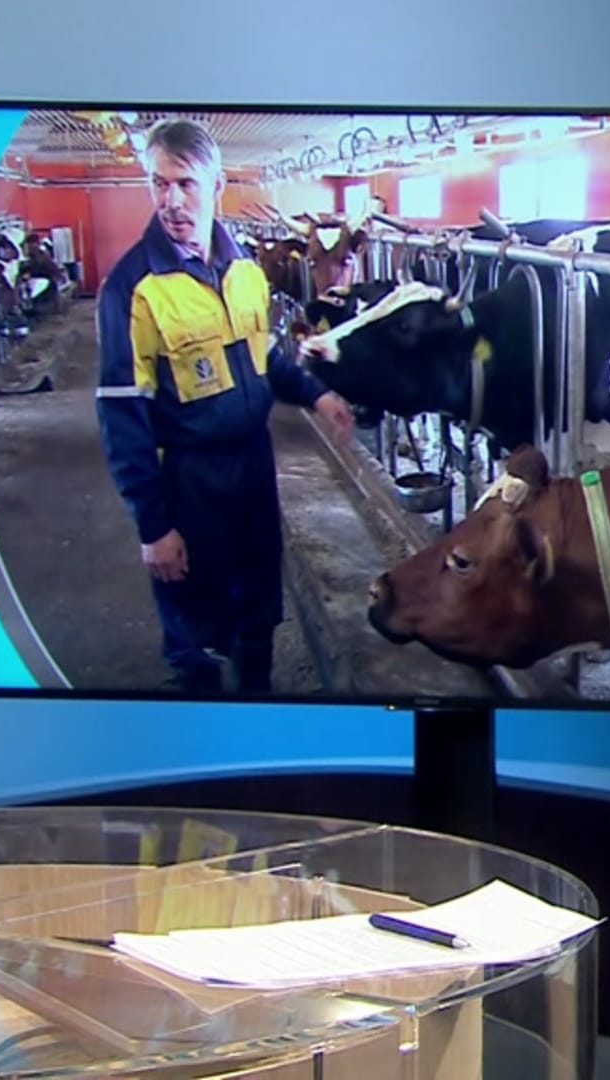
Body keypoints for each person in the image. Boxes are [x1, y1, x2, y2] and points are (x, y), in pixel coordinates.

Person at [96, 117, 354, 694]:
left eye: (185, 184)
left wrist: (316, 393)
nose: (171, 201)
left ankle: (257, 699)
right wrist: (154, 526)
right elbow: (122, 415)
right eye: (159, 184)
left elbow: (266, 358)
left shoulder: (244, 272)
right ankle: (203, 719)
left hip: (254, 469)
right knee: (195, 625)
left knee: (258, 607)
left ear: (216, 187)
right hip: (192, 479)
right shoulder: (132, 288)